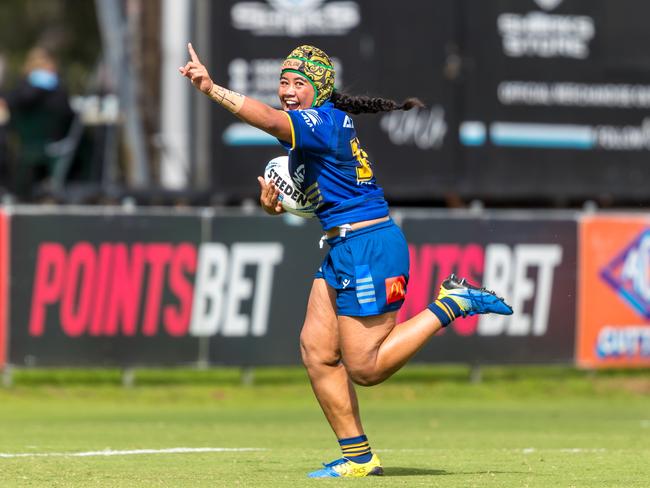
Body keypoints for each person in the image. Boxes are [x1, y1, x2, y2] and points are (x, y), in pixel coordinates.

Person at [180, 43, 513, 478]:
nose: (289, 90)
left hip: (369, 246)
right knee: (316, 351)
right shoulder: (309, 135)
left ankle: (453, 302)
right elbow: (298, 200)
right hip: (342, 246)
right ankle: (358, 457)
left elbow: (270, 120)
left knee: (367, 368)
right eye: (284, 81)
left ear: (319, 90)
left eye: (300, 83)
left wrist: (211, 89)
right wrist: (271, 205)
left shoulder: (324, 121)